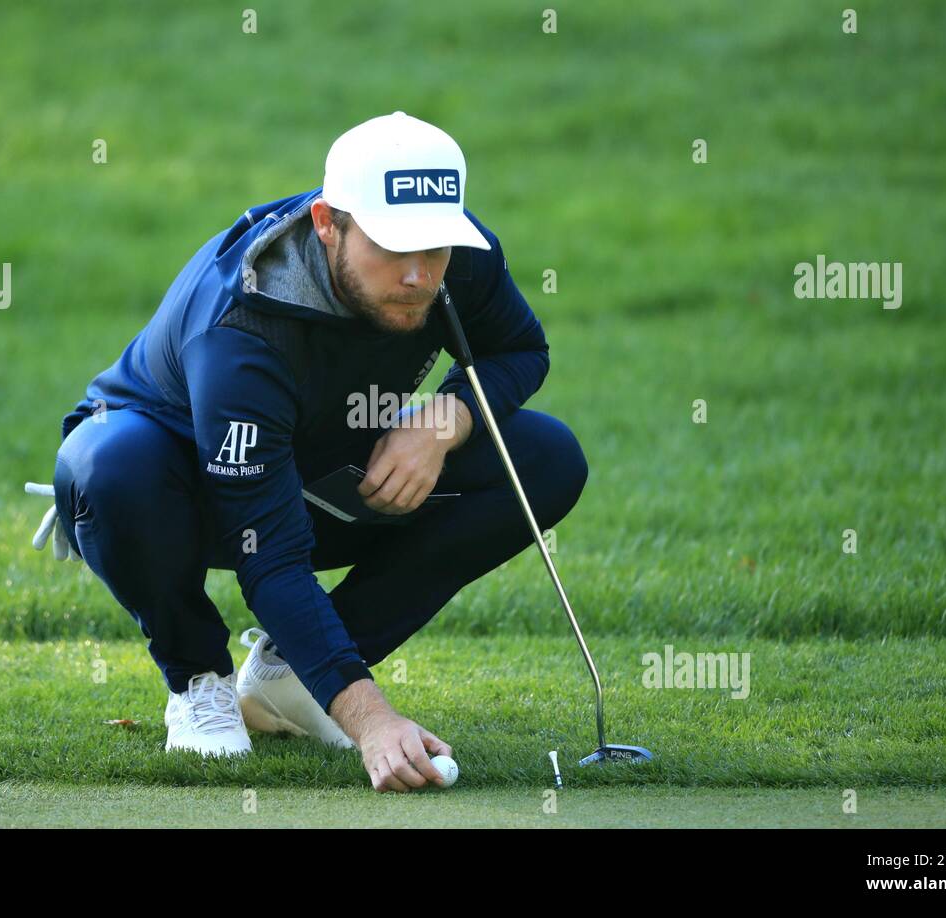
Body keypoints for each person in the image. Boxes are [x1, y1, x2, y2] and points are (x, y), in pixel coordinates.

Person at [41, 111, 588, 793]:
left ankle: (291, 677)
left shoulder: (459, 255)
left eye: (435, 248)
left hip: (323, 461)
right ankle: (197, 679)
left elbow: (519, 349)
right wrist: (373, 719)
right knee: (111, 465)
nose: (420, 275)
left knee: (544, 459)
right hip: (179, 493)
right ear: (328, 223)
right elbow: (267, 552)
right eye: (393, 247)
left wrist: (444, 421)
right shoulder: (242, 326)